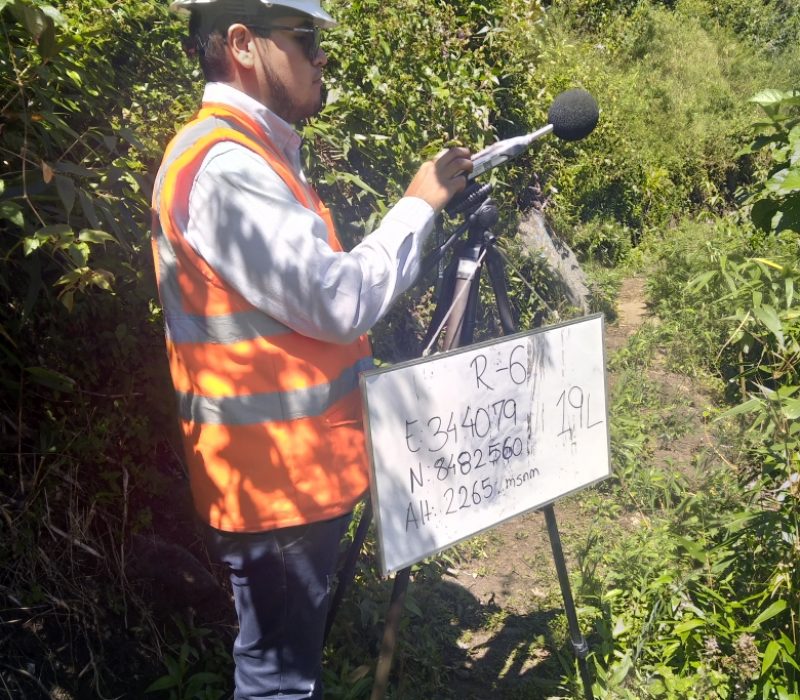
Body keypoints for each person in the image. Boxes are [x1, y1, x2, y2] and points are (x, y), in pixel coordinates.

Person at [150, 0, 472, 697]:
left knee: (283, 671)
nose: (321, 56)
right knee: (277, 684)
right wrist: (418, 205)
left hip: (291, 479)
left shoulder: (251, 154)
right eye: (304, 38)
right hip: (273, 489)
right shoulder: (225, 169)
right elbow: (337, 300)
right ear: (243, 44)